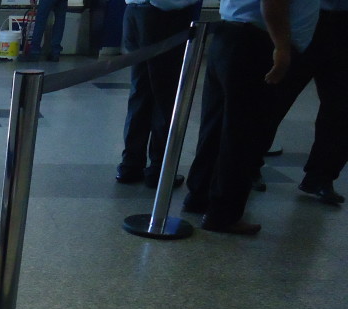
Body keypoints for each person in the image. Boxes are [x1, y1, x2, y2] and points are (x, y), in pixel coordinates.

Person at [182, 0, 320, 234]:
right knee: (243, 135)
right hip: (256, 42)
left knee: (216, 127)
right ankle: (223, 214)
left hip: (230, 33)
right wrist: (282, 46)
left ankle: (200, 196)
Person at [259, 0, 348, 205]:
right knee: (275, 97)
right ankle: (249, 166)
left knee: (341, 106)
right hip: (307, 16)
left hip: (343, 21)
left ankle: (321, 178)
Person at [115, 0, 201, 188]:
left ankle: (130, 163)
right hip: (163, 15)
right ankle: (159, 169)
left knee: (140, 91)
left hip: (134, 12)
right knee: (165, 96)